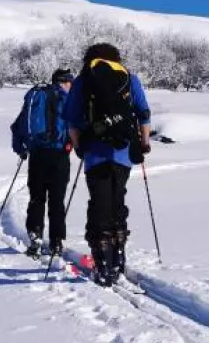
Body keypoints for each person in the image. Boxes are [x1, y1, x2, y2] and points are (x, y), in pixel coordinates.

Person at [63, 41, 152, 286]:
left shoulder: (84, 80)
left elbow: (71, 120)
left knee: (99, 202)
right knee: (117, 200)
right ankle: (119, 253)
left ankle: (102, 260)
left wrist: (80, 146)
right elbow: (144, 113)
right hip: (123, 152)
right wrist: (143, 142)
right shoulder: (129, 78)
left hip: (95, 152)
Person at [11, 68, 74, 257]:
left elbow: (17, 126)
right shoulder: (68, 100)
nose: (71, 85)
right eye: (69, 82)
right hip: (60, 156)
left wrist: (20, 149)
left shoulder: (36, 97)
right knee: (57, 200)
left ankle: (35, 236)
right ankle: (56, 242)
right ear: (63, 82)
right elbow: (76, 126)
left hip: (37, 155)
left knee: (37, 198)